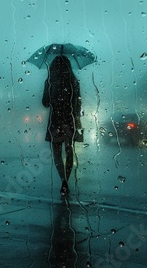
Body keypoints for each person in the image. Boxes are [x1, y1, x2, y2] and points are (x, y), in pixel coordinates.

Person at [42, 55, 82, 196]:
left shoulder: (50, 81)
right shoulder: (73, 81)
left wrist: (51, 92)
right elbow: (78, 103)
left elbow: (45, 103)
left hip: (55, 121)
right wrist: (76, 119)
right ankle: (67, 178)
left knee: (57, 154)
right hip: (69, 120)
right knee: (69, 151)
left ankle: (63, 180)